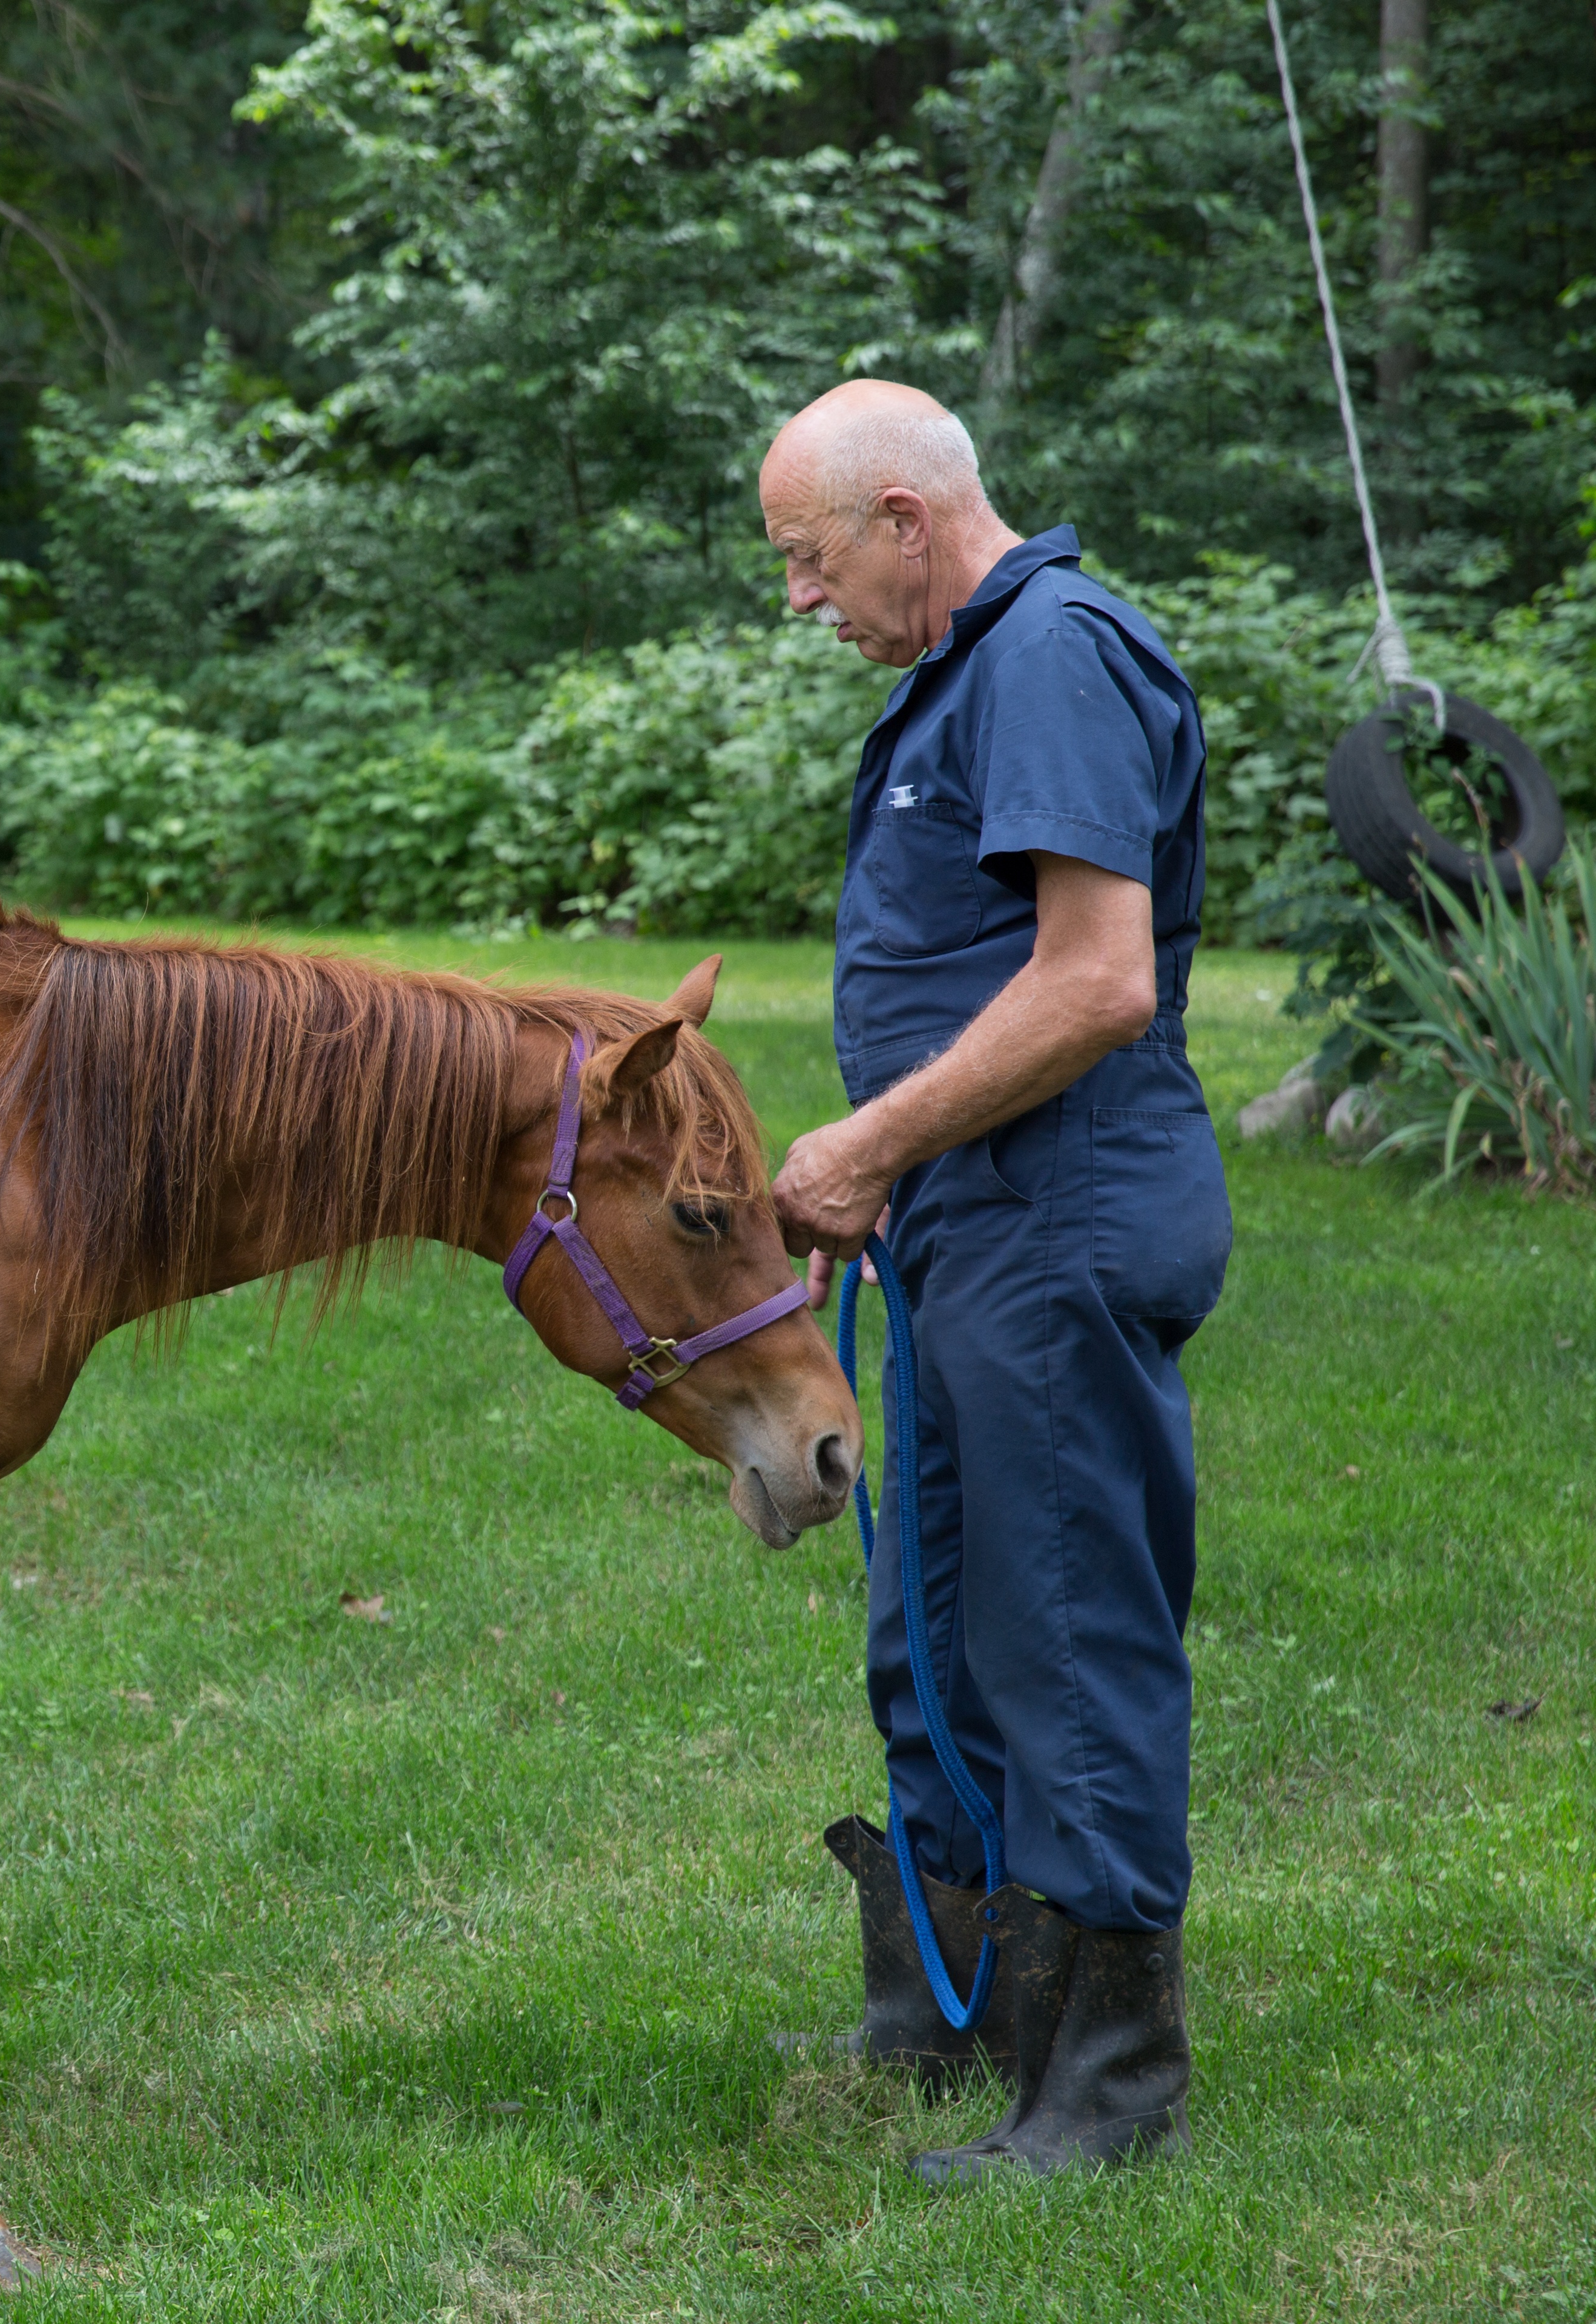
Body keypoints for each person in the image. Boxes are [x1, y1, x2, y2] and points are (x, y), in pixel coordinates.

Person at [760, 381, 1227, 2182]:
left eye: (808, 557)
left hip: (1061, 1216)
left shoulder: (1050, 651)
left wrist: (869, 1143)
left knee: (1061, 1633)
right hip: (971, 1222)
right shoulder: (960, 672)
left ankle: (1107, 2079)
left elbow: (1099, 976)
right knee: (935, 1625)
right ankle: (955, 2002)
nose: (801, 596)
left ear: (903, 521)